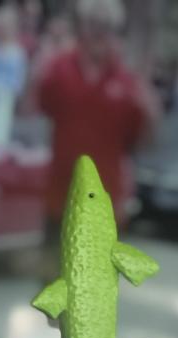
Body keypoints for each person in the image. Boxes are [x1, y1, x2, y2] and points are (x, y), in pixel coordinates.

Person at [35, 0, 156, 232]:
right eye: (93, 24)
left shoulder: (127, 83)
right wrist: (35, 75)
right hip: (59, 199)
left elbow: (142, 145)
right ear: (82, 27)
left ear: (115, 33)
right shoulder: (58, 69)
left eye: (107, 26)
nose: (99, 32)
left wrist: (152, 111)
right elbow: (33, 112)